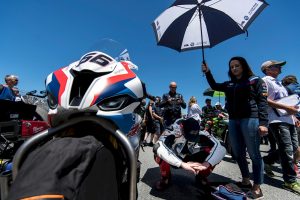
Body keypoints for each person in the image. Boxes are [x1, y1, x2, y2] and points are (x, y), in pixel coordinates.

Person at [202, 56, 268, 199]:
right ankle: (245, 180)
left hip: (250, 119)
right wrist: (207, 72)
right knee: (237, 153)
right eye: (232, 67)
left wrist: (263, 124)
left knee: (254, 153)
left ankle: (257, 186)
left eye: (237, 65)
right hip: (233, 120)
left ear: (243, 66)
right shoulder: (229, 84)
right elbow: (214, 85)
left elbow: (262, 103)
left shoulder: (255, 80)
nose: (234, 68)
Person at [153, 116, 226, 190]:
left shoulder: (202, 131)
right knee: (159, 154)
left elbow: (221, 146)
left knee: (213, 152)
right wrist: (181, 164)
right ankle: (165, 177)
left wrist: (208, 163)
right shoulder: (172, 129)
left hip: (192, 155)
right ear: (182, 128)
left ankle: (201, 176)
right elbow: (158, 146)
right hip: (175, 156)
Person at [260, 60, 300, 195]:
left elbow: (287, 100)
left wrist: (293, 116)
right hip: (277, 120)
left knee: (293, 148)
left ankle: (267, 161)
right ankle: (289, 181)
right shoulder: (265, 81)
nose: (280, 68)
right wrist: (286, 108)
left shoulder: (280, 83)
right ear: (267, 69)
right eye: (276, 66)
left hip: (289, 120)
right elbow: (264, 99)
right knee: (287, 150)